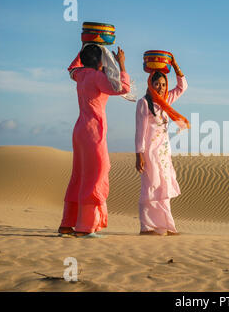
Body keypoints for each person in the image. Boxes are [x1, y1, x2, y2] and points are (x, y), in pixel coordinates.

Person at [58, 44, 131, 238]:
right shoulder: (97, 77)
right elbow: (123, 88)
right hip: (93, 133)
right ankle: (85, 226)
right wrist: (122, 65)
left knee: (79, 176)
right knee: (96, 176)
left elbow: (71, 68)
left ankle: (67, 223)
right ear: (100, 61)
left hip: (80, 131)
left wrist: (84, 45)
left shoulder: (80, 74)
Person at [135, 54, 189, 236]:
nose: (160, 87)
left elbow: (183, 87)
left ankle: (166, 226)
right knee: (151, 186)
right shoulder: (144, 103)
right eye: (157, 84)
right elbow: (140, 131)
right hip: (149, 152)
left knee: (164, 187)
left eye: (164, 84)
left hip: (164, 152)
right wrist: (139, 154)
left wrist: (175, 65)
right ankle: (146, 226)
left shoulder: (166, 102)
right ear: (150, 83)